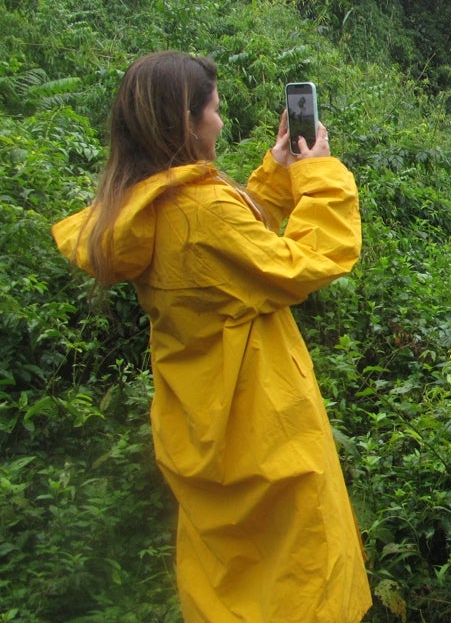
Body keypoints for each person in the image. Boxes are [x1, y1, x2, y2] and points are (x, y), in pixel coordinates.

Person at [52, 51, 372, 622]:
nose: (221, 123)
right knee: (298, 588)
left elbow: (233, 254)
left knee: (227, 589)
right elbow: (304, 261)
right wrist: (316, 175)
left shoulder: (142, 209)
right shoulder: (201, 212)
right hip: (263, 431)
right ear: (187, 122)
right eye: (216, 111)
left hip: (200, 427)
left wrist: (275, 175)